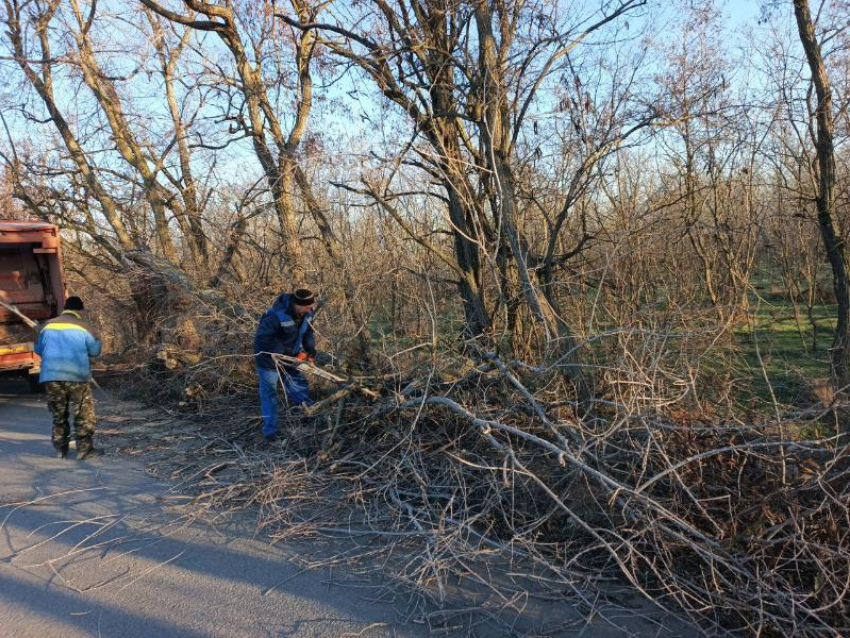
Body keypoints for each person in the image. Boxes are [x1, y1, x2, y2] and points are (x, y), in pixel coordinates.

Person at [34, 296, 103, 459]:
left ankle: (60, 449)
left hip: (51, 377)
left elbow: (38, 349)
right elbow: (95, 351)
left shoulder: (46, 326)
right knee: (82, 413)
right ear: (80, 310)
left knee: (59, 414)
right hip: (76, 376)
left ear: (65, 308)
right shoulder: (86, 327)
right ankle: (84, 450)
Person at [253, 288, 317, 442]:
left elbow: (308, 332)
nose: (310, 309)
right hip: (269, 359)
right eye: (307, 307)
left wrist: (310, 349)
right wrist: (286, 352)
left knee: (298, 386)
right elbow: (262, 339)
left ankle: (309, 414)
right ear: (297, 304)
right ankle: (270, 432)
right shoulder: (276, 315)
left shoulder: (307, 312)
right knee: (269, 394)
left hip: (291, 358)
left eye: (311, 306)